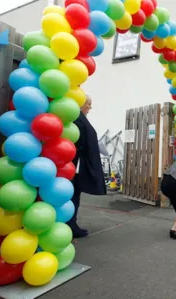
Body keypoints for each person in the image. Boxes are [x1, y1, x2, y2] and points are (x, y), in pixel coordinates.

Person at [69, 95, 107, 238]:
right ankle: (71, 225)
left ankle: (72, 224)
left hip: (76, 165)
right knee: (72, 196)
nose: (90, 107)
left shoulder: (79, 118)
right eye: (88, 104)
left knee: (74, 195)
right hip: (74, 165)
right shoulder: (77, 119)